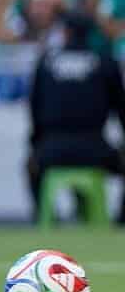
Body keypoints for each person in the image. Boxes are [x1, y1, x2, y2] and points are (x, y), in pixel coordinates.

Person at [27, 12, 125, 223]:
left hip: (51, 150)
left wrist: (36, 147)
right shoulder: (105, 62)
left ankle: (47, 220)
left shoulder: (46, 62)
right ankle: (121, 221)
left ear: (65, 32)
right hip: (96, 150)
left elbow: (34, 110)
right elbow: (121, 109)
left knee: (30, 167)